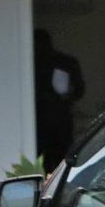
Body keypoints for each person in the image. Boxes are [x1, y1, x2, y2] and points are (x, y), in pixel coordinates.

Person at [33, 29, 86, 169]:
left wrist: (68, 95)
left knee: (60, 161)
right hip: (43, 122)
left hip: (57, 121)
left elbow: (79, 90)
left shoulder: (64, 62)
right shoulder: (31, 64)